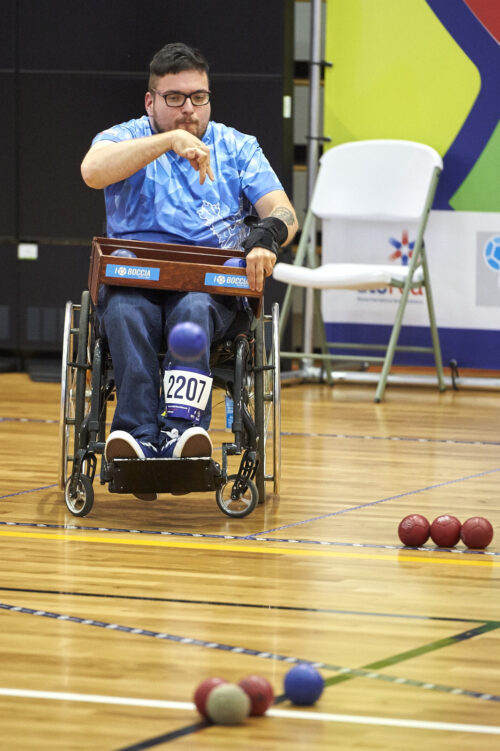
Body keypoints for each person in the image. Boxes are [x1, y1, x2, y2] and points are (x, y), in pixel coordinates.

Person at [80, 42, 298, 492]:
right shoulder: (124, 137)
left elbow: (282, 211)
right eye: (174, 98)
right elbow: (93, 172)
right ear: (151, 101)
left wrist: (265, 238)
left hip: (207, 289)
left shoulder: (237, 148)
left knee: (193, 309)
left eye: (198, 97)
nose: (188, 109)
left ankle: (183, 432)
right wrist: (169, 142)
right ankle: (135, 437)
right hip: (132, 282)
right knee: (124, 310)